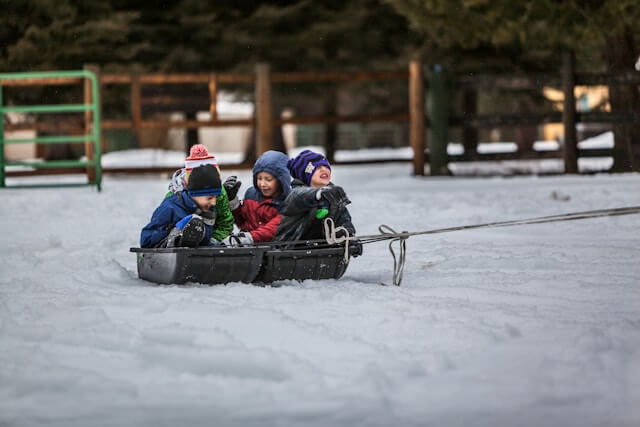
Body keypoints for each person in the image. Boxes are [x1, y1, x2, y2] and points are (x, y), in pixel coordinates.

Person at [274, 150, 359, 255]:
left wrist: (349, 238)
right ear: (306, 174)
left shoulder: (332, 195)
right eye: (318, 168)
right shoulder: (295, 195)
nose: (324, 169)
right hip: (289, 251)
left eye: (326, 167)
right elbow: (301, 195)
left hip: (322, 250)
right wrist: (318, 193)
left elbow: (343, 220)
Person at [140, 164, 223, 248]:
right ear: (194, 193)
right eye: (209, 198)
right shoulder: (170, 208)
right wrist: (173, 230)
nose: (214, 202)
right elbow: (146, 241)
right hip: (168, 255)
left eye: (216, 197)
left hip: (194, 257)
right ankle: (176, 239)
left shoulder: (208, 210)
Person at [220, 150, 291, 246]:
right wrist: (232, 201)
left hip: (272, 251)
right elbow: (242, 221)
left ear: (281, 180)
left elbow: (272, 230)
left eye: (268, 179)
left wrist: (245, 238)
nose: (262, 184)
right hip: (247, 249)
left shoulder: (288, 202)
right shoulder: (251, 195)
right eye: (259, 178)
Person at [165, 144, 234, 243]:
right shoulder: (175, 195)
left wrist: (213, 240)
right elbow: (161, 226)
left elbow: (225, 223)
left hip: (211, 238)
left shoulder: (219, 193)